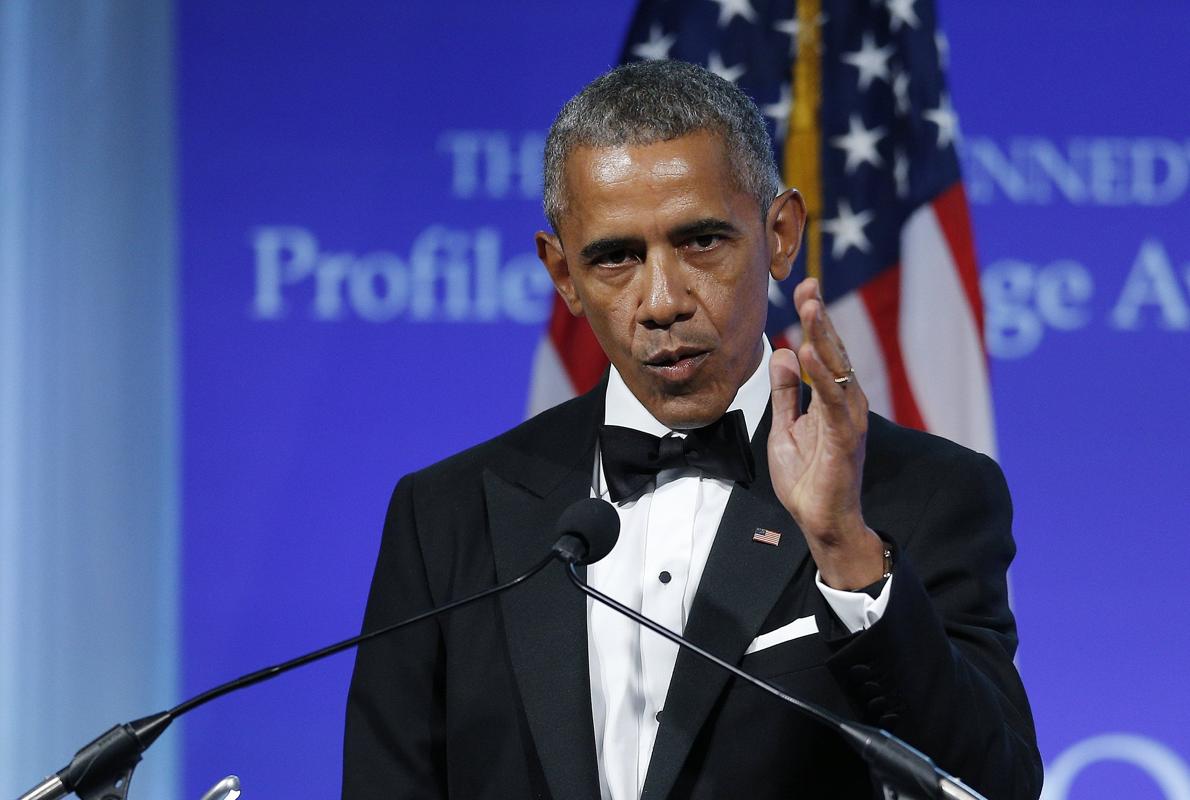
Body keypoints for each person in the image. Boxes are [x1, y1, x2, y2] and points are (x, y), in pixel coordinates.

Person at [343, 60, 1041, 800]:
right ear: (563, 274)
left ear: (779, 234)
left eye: (702, 242)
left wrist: (845, 553)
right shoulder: (446, 516)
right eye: (615, 257)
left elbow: (989, 787)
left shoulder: (922, 494)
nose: (663, 300)